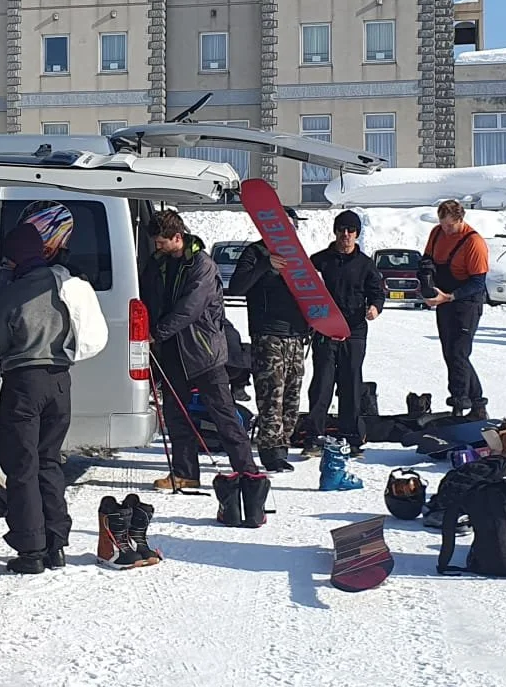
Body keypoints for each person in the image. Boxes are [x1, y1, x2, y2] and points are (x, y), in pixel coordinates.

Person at [0, 204, 102, 574]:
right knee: (49, 462)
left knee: (22, 467)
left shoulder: (11, 293)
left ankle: (30, 550)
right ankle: (56, 543)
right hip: (60, 381)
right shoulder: (65, 284)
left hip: (24, 384)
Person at [141, 208, 256, 491]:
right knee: (176, 416)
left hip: (203, 353)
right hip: (172, 353)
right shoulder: (160, 263)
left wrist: (158, 333)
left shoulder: (202, 265)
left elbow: (189, 308)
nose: (157, 247)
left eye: (161, 242)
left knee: (224, 416)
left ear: (177, 237)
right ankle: (185, 473)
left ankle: (248, 473)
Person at [227, 231, 311, 472]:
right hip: (267, 333)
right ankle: (269, 450)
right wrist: (265, 265)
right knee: (271, 393)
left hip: (295, 334)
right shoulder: (255, 252)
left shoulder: (297, 255)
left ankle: (283, 445)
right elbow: (236, 287)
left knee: (292, 395)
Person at [306, 210, 385, 457]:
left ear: (357, 234)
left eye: (351, 231)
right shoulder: (319, 261)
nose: (346, 235)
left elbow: (378, 292)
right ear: (335, 232)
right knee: (322, 384)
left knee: (351, 383)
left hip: (355, 331)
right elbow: (303, 289)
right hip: (325, 332)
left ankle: (351, 437)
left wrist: (375, 307)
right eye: (342, 230)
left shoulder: (366, 264)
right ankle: (314, 437)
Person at [422, 199, 490, 419]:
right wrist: (427, 282)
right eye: (443, 224)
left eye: (450, 226)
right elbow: (428, 260)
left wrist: (450, 297)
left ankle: (460, 403)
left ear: (461, 220)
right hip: (443, 298)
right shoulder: (436, 234)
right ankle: (478, 404)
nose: (446, 230)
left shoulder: (473, 242)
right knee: (450, 353)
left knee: (459, 353)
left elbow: (478, 282)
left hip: (466, 300)